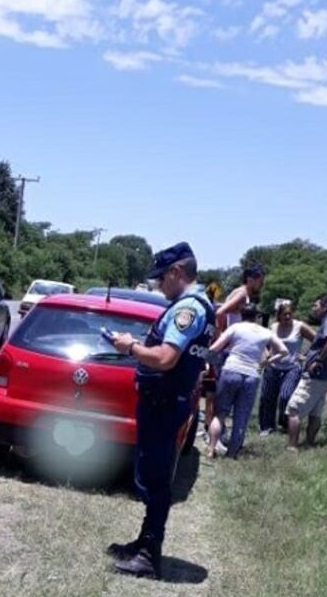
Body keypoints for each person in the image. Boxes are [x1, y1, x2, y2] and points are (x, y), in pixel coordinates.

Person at [105, 242, 216, 579]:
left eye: (160, 278)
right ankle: (144, 542)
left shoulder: (189, 309)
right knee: (152, 475)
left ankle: (149, 556)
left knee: (155, 480)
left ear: (176, 272)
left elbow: (166, 359)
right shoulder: (198, 305)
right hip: (166, 402)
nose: (158, 285)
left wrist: (131, 347)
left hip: (164, 403)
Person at [206, 303, 288, 459]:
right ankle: (232, 453)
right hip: (252, 374)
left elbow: (214, 348)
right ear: (256, 316)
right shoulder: (265, 332)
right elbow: (284, 351)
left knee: (220, 414)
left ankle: (211, 448)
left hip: (231, 370)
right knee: (241, 417)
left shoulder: (235, 328)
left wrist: (210, 364)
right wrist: (267, 362)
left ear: (241, 314)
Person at [206, 263, 264, 439]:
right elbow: (220, 312)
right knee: (219, 393)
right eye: (259, 280)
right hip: (227, 350)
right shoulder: (242, 294)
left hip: (227, 348)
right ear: (250, 279)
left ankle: (212, 430)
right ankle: (216, 434)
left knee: (215, 392)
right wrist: (223, 337)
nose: (261, 284)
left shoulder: (242, 294)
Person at [286, 294, 327, 450]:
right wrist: (307, 357)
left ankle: (292, 447)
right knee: (315, 412)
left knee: (294, 409)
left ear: (325, 307)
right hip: (326, 376)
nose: (314, 309)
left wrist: (318, 360)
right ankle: (309, 443)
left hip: (316, 374)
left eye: (316, 306)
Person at [259, 299, 315, 435]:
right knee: (267, 397)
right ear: (279, 315)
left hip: (291, 367)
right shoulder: (273, 327)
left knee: (286, 396)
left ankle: (284, 423)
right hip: (273, 367)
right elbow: (265, 343)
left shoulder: (299, 326)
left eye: (290, 313)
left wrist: (306, 355)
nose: (288, 316)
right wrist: (266, 353)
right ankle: (267, 426)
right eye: (284, 314)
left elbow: (317, 340)